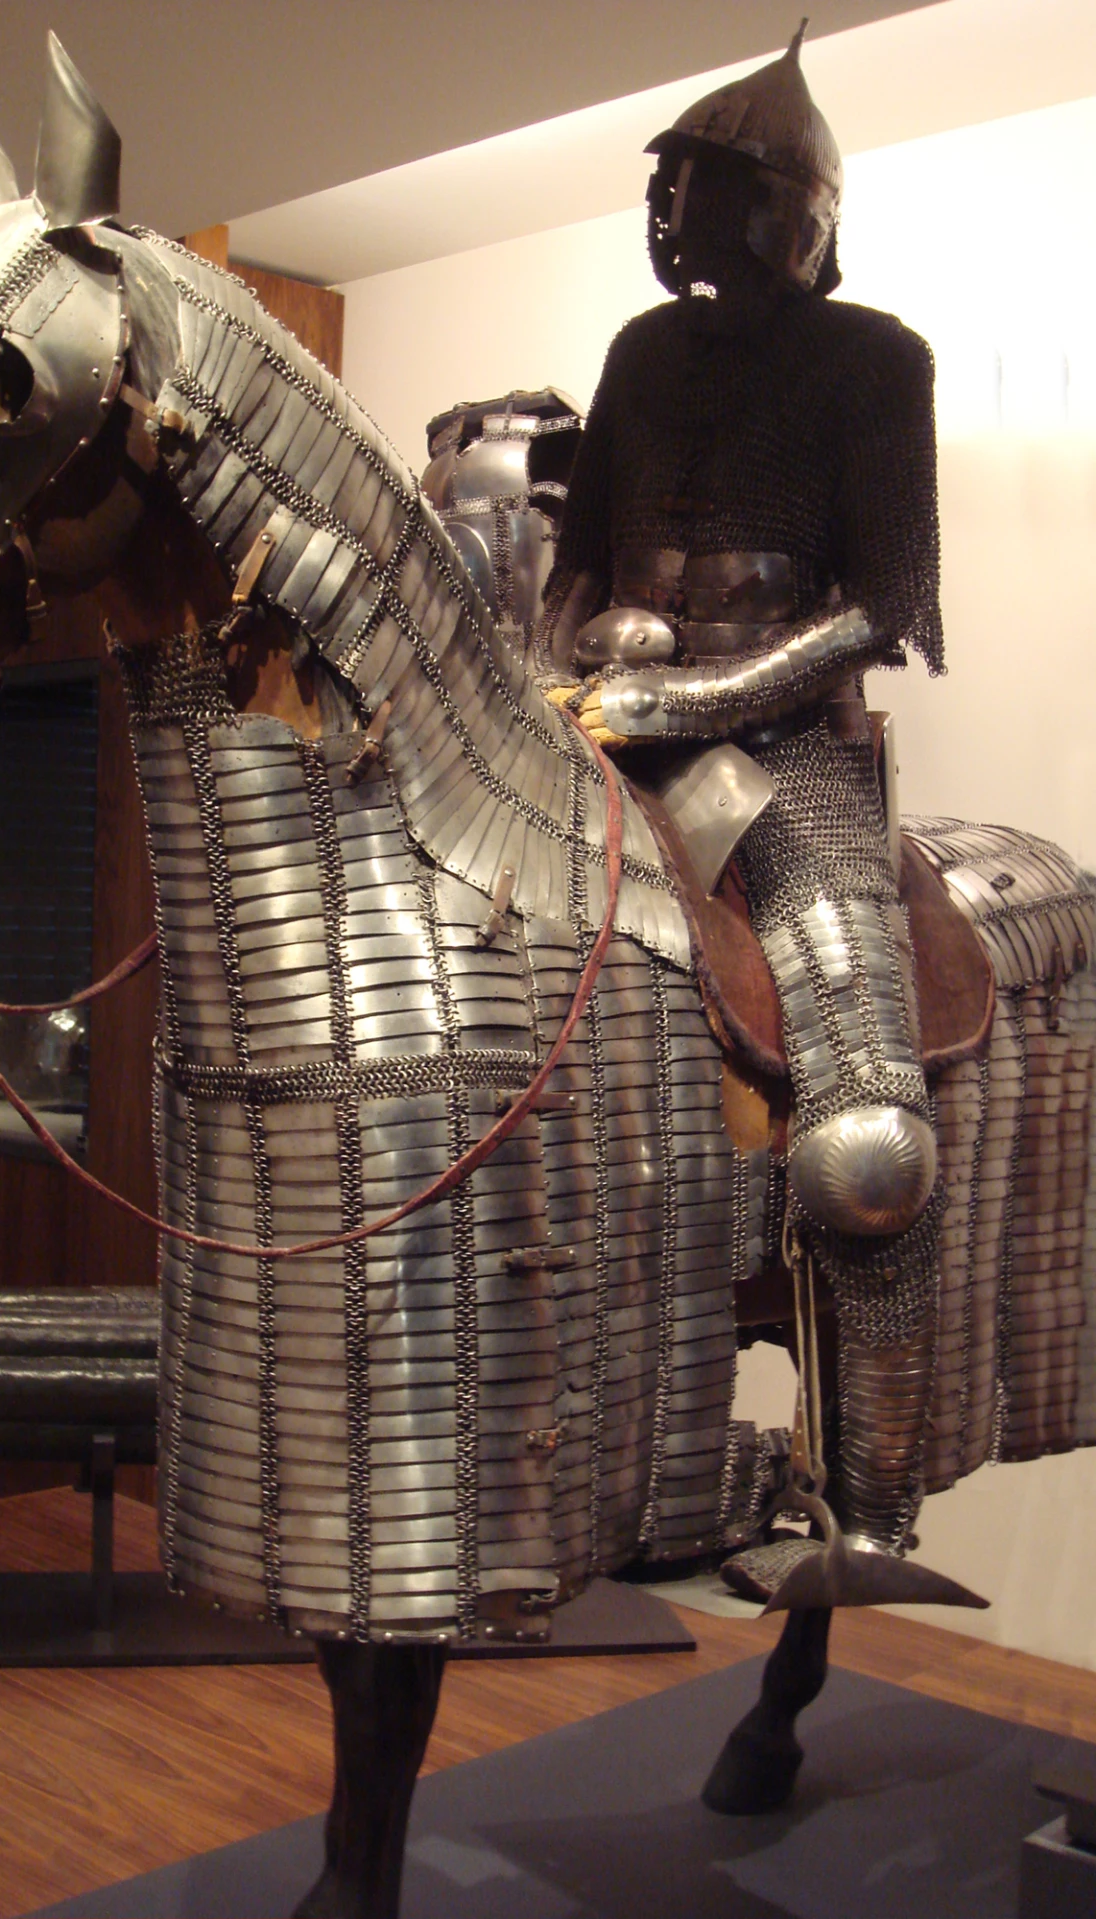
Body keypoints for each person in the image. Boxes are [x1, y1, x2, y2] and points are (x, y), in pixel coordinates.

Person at [542, 31, 960, 1604]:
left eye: (708, 183)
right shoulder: (642, 356)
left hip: (787, 764)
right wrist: (554, 668)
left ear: (791, 209)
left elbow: (884, 608)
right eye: (669, 181)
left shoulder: (875, 363)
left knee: (862, 1143)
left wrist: (697, 704)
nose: (677, 209)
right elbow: (578, 561)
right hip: (601, 729)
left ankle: (871, 1500)